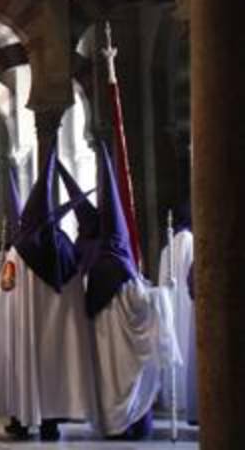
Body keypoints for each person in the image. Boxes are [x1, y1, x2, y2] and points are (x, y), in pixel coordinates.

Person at [0, 149, 96, 442]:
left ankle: (23, 420)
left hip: (27, 331)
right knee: (54, 367)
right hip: (58, 334)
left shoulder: (18, 251)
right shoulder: (66, 247)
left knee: (28, 365)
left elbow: (7, 290)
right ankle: (50, 422)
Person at [84, 143, 178, 440]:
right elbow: (140, 305)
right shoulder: (124, 270)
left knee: (108, 381)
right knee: (130, 381)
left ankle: (112, 425)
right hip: (125, 348)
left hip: (103, 340)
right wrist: (164, 291)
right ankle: (129, 423)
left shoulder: (97, 266)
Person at [158, 202, 196, 425]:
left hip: (171, 304)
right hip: (188, 303)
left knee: (175, 344)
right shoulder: (191, 242)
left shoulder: (167, 248)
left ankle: (175, 397)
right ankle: (186, 396)